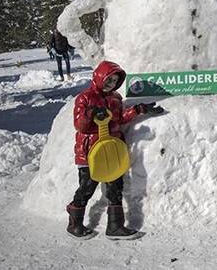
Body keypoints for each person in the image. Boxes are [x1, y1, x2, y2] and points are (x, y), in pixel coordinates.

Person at [66, 60, 163, 240]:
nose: (111, 84)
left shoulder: (115, 98)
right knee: (87, 187)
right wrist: (90, 114)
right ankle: (74, 221)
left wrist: (139, 109)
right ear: (99, 77)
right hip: (90, 152)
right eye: (108, 80)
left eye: (114, 81)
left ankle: (115, 226)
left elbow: (118, 119)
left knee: (115, 187)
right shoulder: (85, 98)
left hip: (111, 150)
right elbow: (80, 125)